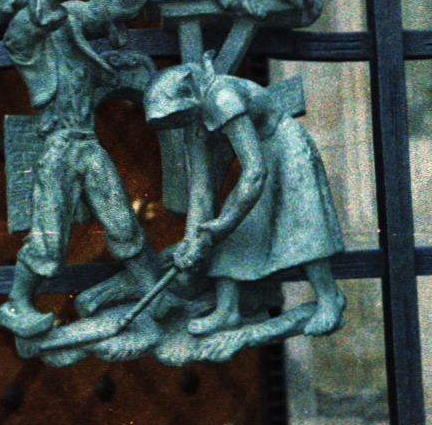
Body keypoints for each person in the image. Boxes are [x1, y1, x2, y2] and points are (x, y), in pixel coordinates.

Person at [0, 0, 168, 338]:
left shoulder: (65, 18)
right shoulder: (21, 34)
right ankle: (17, 305)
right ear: (3, 0)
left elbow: (121, 7)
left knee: (122, 223)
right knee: (49, 242)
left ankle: (150, 289)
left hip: (85, 142)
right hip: (59, 147)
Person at [144, 58, 345, 337]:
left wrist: (221, 225)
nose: (177, 123)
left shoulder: (223, 98)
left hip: (284, 147)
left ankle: (329, 298)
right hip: (259, 160)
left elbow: (254, 171)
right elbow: (201, 188)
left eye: (176, 116)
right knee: (231, 231)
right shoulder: (193, 121)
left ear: (189, 96)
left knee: (303, 220)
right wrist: (195, 239)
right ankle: (227, 311)